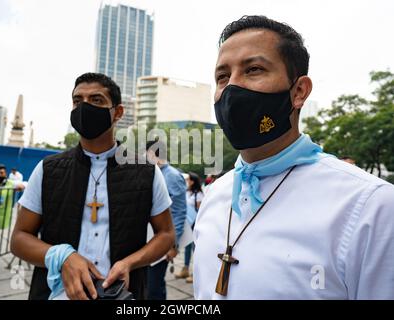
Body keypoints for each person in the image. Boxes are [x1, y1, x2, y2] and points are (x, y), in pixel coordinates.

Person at [194, 15, 394, 299]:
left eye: (253, 69)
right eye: (222, 77)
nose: (232, 88)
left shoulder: (371, 207)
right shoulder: (214, 195)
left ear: (299, 91)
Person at [11, 73, 175, 300]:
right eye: (78, 101)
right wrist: (61, 255)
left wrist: (130, 262)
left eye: (96, 100)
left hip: (123, 294)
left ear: (117, 113)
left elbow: (166, 234)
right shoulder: (48, 169)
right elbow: (19, 238)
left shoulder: (146, 171)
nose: (84, 107)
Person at [145, 140, 187, 300]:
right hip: (148, 240)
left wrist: (173, 245)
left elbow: (179, 212)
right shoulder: (151, 173)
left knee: (153, 288)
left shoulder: (173, 176)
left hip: (162, 241)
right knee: (152, 286)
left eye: (146, 153)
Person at [175, 172, 203, 283]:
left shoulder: (199, 194)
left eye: (188, 180)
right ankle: (185, 269)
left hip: (194, 223)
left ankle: (195, 273)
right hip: (187, 222)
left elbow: (200, 211)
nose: (187, 181)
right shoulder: (187, 192)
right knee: (187, 246)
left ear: (192, 181)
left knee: (194, 247)